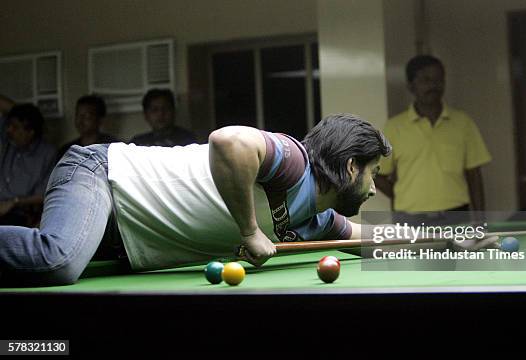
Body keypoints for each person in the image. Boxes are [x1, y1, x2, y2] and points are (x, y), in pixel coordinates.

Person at [0, 113, 391, 286]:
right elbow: (228, 140)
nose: (374, 188)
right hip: (102, 175)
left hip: (124, 239)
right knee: (57, 261)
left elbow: (367, 238)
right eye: (373, 172)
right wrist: (250, 230)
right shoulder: (293, 162)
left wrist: (442, 237)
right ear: (352, 166)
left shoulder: (314, 220)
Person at [376, 55, 491, 225]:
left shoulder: (462, 122)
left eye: (438, 79)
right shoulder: (394, 127)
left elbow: (474, 175)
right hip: (410, 219)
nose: (433, 85)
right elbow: (377, 174)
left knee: (460, 253)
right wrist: (402, 193)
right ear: (410, 86)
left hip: (456, 216)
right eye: (425, 79)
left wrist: (481, 221)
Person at [0, 104, 57, 227]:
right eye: (9, 125)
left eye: (15, 127)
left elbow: (45, 195)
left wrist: (14, 202)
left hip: (19, 213)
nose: (9, 130)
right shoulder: (9, 142)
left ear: (30, 132)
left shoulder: (47, 154)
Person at [57, 95, 118, 160]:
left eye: (87, 117)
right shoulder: (68, 150)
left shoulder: (112, 147)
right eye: (78, 115)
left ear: (100, 119)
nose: (80, 121)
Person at [130, 88, 197, 146]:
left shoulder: (187, 139)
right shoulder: (138, 143)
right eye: (155, 110)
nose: (161, 114)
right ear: (146, 115)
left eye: (166, 108)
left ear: (174, 112)